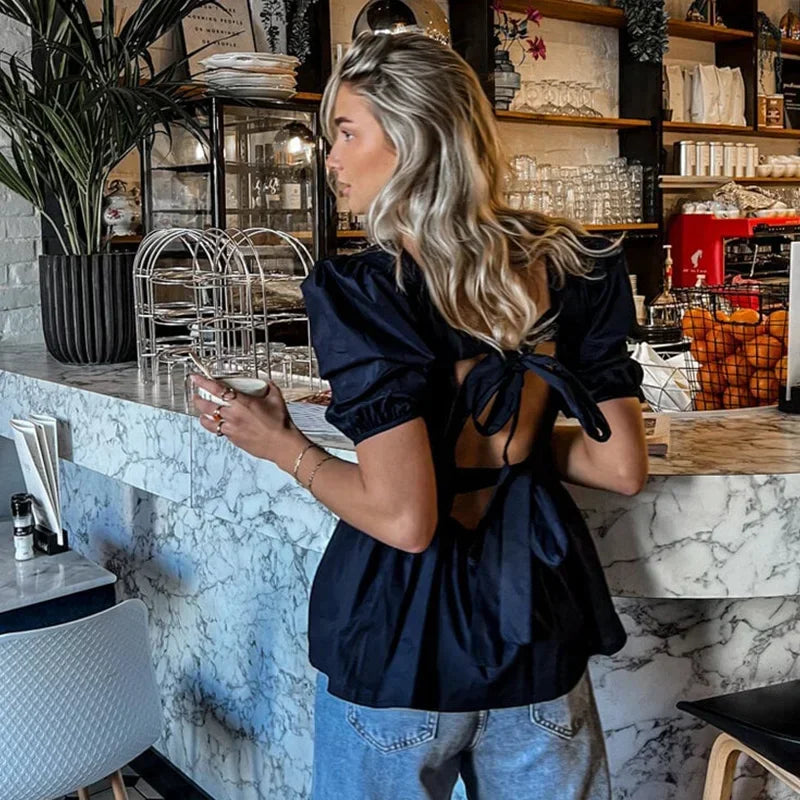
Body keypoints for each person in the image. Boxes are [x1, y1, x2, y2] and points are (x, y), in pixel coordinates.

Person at [191, 30, 648, 800]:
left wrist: (280, 443)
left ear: (410, 141)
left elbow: (406, 520)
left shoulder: (365, 292)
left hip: (401, 639)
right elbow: (620, 466)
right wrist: (504, 438)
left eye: (346, 132)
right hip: (534, 630)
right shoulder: (576, 262)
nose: (330, 159)